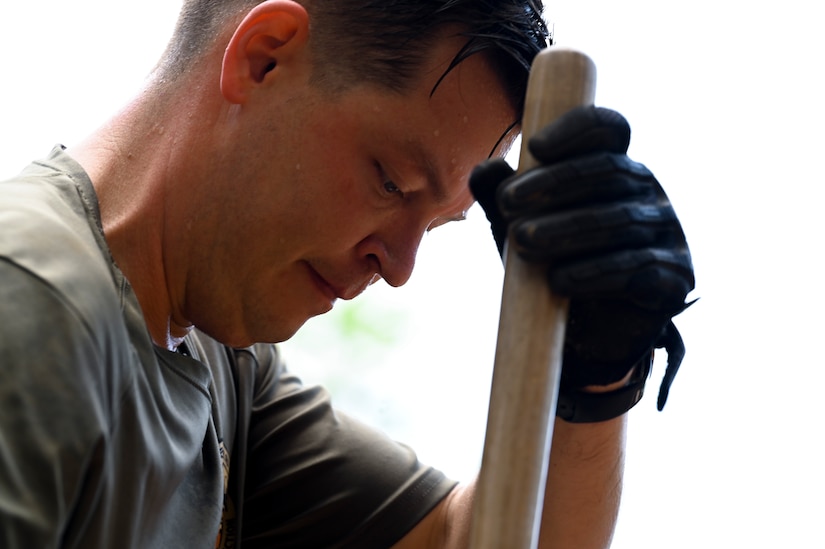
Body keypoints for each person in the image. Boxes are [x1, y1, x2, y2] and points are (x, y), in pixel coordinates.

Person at [0, 0, 694, 547]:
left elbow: (470, 540)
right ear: (265, 58)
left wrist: (596, 377)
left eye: (435, 224)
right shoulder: (31, 305)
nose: (397, 267)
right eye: (391, 182)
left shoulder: (219, 362)